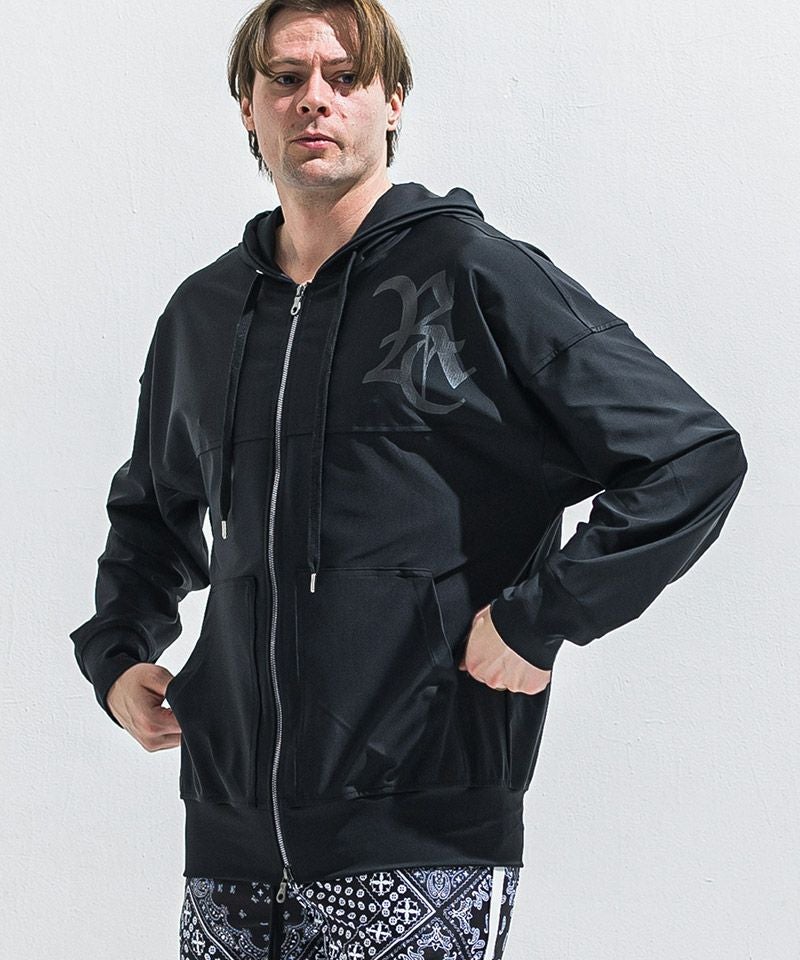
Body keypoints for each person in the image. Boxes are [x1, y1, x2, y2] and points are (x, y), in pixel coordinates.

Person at [69, 1, 748, 957]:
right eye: (286, 78)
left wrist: (542, 617)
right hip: (230, 840)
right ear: (247, 107)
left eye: (346, 78)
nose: (316, 100)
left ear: (391, 103)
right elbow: (151, 512)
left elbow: (691, 454)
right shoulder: (204, 314)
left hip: (423, 830)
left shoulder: (475, 274)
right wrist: (116, 657)